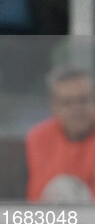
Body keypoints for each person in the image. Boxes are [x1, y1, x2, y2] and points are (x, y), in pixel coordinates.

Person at [26, 65, 95, 202]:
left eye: (83, 100)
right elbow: (38, 195)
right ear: (54, 106)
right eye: (68, 103)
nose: (77, 109)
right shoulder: (39, 138)